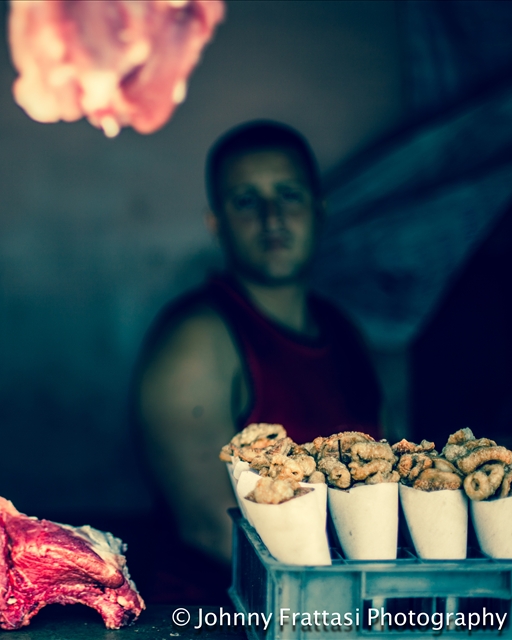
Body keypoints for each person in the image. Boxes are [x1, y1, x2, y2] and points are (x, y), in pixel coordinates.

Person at [131, 121, 382, 602]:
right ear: (216, 223)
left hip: (349, 605)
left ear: (318, 208)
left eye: (288, 194)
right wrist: (344, 600)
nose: (271, 217)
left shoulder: (345, 332)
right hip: (230, 617)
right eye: (246, 201)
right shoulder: (197, 341)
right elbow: (208, 527)